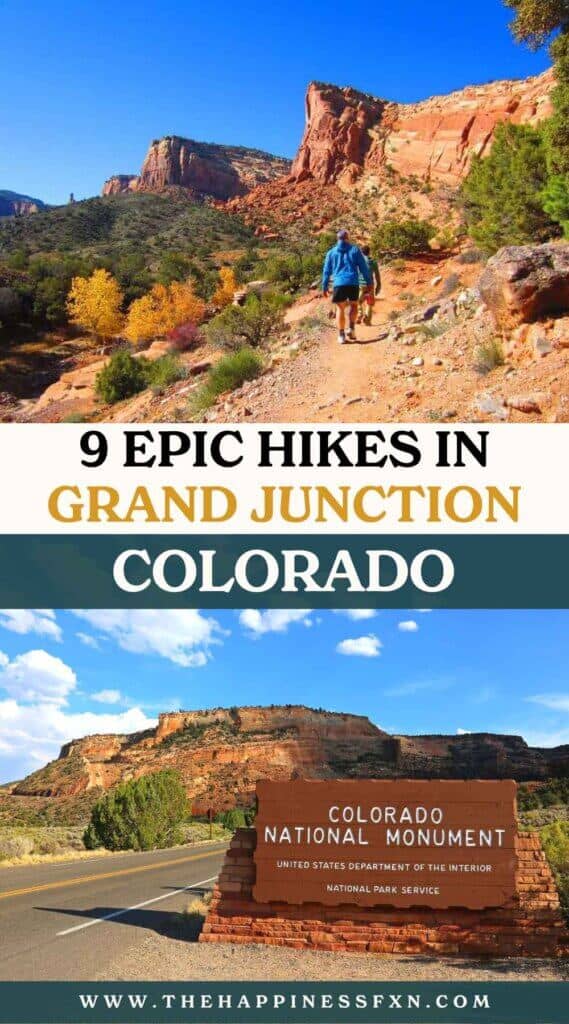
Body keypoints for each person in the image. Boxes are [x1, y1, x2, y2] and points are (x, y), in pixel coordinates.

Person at [322, 229, 372, 344]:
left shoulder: (331, 253)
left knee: (340, 308)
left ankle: (341, 335)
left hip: (339, 283)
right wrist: (368, 282)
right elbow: (363, 268)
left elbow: (326, 271)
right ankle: (352, 329)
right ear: (347, 238)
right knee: (354, 305)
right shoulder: (355, 250)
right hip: (353, 283)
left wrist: (324, 286)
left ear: (337, 239)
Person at [357, 245, 382, 326]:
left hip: (360, 284)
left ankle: (360, 314)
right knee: (369, 303)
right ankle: (367, 320)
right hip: (370, 285)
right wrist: (379, 285)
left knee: (358, 301)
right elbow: (377, 275)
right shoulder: (373, 262)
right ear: (369, 252)